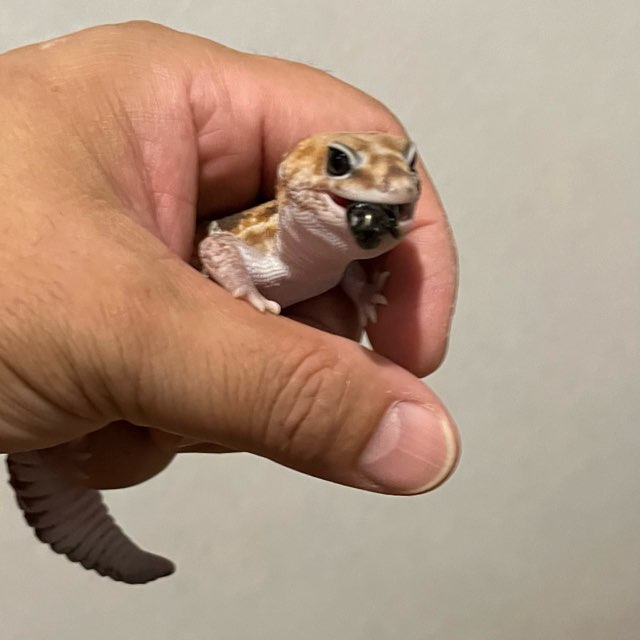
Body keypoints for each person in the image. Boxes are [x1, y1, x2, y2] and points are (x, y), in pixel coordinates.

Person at [0, 22, 459, 496]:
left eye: (406, 165)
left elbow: (342, 266)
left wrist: (361, 293)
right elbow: (214, 247)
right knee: (97, 460)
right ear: (290, 174)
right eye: (339, 165)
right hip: (144, 326)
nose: (394, 185)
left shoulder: (333, 250)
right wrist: (241, 290)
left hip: (105, 391)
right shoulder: (266, 245)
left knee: (118, 453)